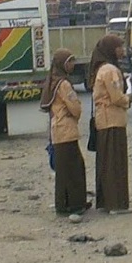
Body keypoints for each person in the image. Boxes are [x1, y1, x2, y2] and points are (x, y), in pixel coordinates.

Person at [90, 34, 132, 212]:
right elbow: (116, 97)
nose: (122, 50)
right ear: (111, 49)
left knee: (106, 163)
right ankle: (116, 204)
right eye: (119, 47)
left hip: (104, 120)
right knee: (115, 163)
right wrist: (128, 99)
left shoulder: (101, 69)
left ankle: (106, 202)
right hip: (113, 121)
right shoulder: (110, 70)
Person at [46, 48, 88, 217]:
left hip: (57, 130)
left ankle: (62, 204)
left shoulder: (52, 81)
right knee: (74, 169)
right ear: (62, 64)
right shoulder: (63, 84)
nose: (72, 64)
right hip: (66, 130)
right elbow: (74, 107)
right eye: (70, 61)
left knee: (63, 171)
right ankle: (76, 204)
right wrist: (77, 112)